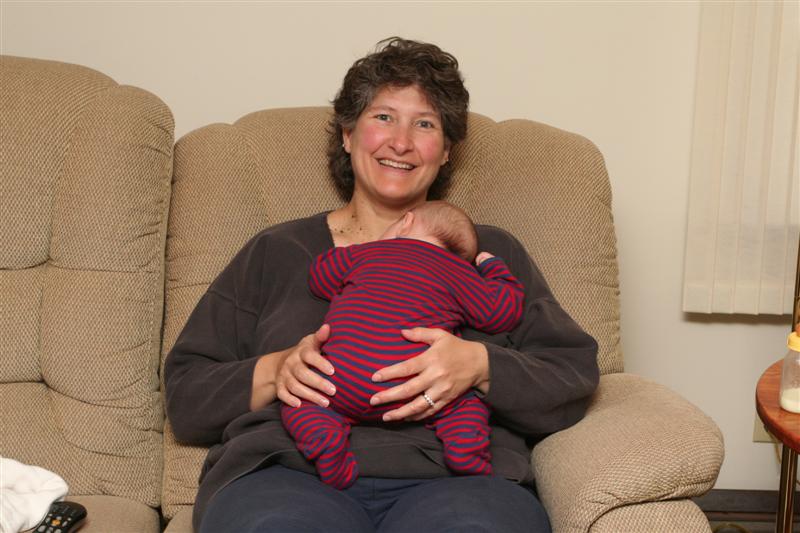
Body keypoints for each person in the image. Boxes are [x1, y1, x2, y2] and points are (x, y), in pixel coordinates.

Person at [165, 37, 599, 533]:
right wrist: (274, 370)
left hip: (457, 481)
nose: (401, 142)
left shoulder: (487, 255)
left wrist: (481, 365)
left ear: (446, 151)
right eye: (384, 117)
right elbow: (186, 396)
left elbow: (572, 375)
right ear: (348, 135)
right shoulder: (278, 251)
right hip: (288, 470)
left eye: (425, 124)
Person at [282, 200, 525, 489]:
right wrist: (494, 270)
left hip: (339, 379)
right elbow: (500, 313)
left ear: (406, 222)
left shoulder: (366, 253)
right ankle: (465, 449)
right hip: (416, 387)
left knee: (301, 399)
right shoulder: (461, 274)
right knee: (464, 403)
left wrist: (354, 254)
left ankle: (324, 441)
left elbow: (320, 276)